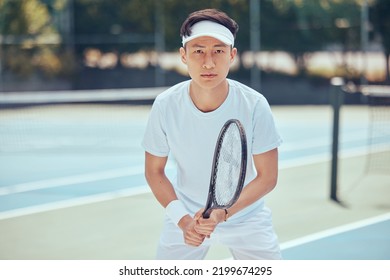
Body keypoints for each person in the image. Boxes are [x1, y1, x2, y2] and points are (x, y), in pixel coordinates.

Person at [142, 8, 282, 260]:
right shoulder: (165, 105)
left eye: (218, 51)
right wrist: (183, 221)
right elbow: (154, 171)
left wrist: (222, 213)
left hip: (246, 217)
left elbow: (267, 177)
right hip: (184, 216)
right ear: (183, 56)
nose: (208, 62)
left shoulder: (254, 104)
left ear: (232, 55)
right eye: (198, 51)